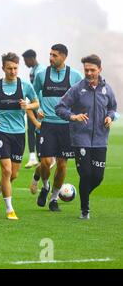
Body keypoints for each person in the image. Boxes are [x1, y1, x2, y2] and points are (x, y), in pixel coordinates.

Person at [55, 55, 117, 220]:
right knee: (86, 174)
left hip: (100, 140)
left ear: (100, 70)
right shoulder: (76, 89)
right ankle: (85, 210)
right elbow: (60, 108)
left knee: (98, 177)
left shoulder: (107, 89)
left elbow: (112, 108)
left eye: (92, 70)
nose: (89, 73)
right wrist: (73, 117)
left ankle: (79, 194)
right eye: (86, 70)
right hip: (80, 139)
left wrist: (110, 117)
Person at [0, 53, 39, 220]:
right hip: (1, 131)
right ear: (3, 68)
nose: (13, 71)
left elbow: (36, 103)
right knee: (6, 170)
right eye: (9, 68)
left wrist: (27, 105)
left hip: (19, 133)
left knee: (13, 175)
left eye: (15, 68)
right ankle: (9, 209)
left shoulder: (25, 85)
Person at [33, 44, 83, 212]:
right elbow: (32, 96)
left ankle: (54, 199)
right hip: (47, 125)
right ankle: (45, 186)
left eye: (54, 55)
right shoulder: (42, 75)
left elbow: (82, 99)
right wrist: (36, 109)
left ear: (64, 57)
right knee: (46, 162)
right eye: (50, 54)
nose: (51, 58)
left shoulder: (75, 76)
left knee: (62, 164)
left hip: (66, 126)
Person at [22, 49, 46, 169]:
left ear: (31, 58)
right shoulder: (33, 70)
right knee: (31, 129)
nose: (25, 63)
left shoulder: (40, 71)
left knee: (38, 130)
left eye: (25, 60)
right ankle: (33, 157)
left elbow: (40, 90)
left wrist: (40, 107)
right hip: (32, 105)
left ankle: (44, 157)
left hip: (38, 106)